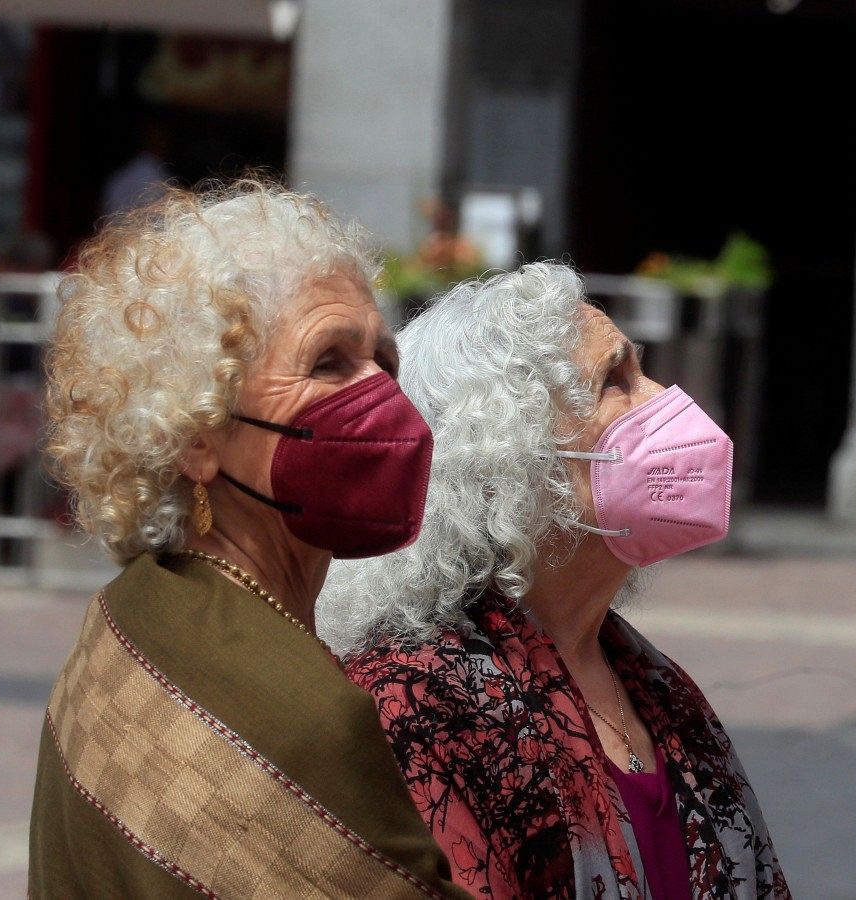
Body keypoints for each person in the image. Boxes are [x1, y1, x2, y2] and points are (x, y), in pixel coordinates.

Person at [30, 179, 465, 898]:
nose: (381, 393)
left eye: (381, 361)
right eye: (329, 362)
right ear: (198, 437)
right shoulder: (301, 715)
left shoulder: (128, 612)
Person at [317, 263, 788, 900]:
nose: (665, 400)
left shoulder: (653, 681)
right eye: (615, 383)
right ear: (509, 459)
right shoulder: (419, 702)